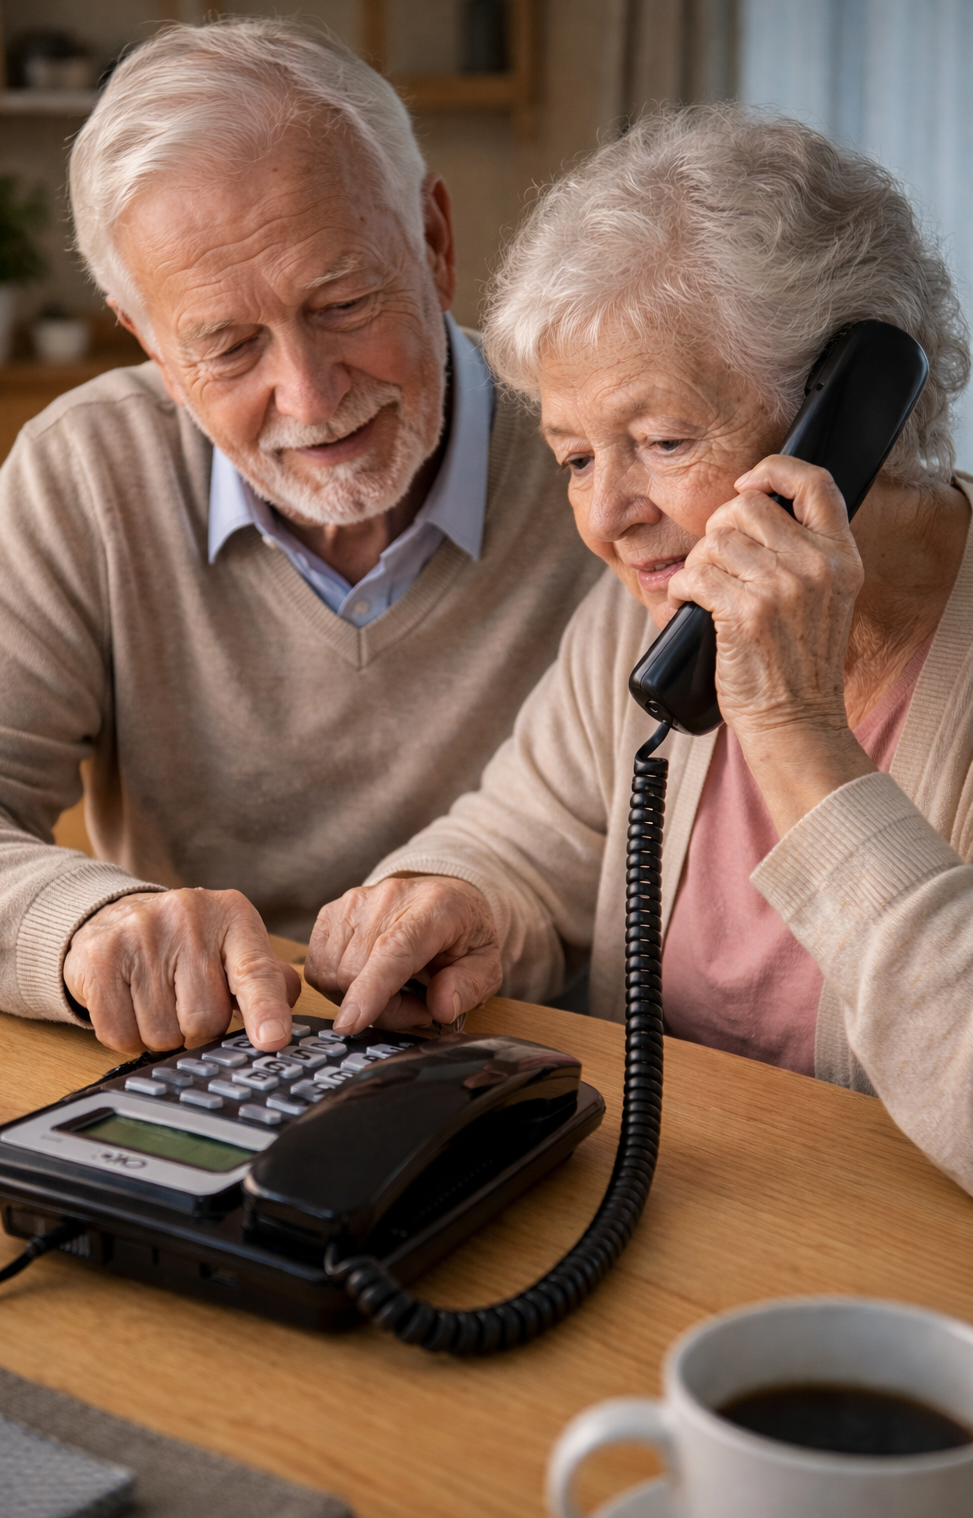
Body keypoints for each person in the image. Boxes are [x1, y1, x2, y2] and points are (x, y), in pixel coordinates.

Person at [306, 107, 973, 1195]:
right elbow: (533, 832)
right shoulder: (652, 608)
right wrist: (461, 898)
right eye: (575, 458)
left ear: (853, 413)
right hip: (672, 1234)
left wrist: (797, 731)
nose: (609, 515)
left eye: (662, 443)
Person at [0, 20, 600, 1056]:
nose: (308, 393)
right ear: (151, 345)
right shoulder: (86, 471)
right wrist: (86, 926)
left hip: (533, 1062)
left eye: (341, 303)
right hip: (212, 1060)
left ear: (433, 242)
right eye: (227, 344)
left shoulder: (604, 459)